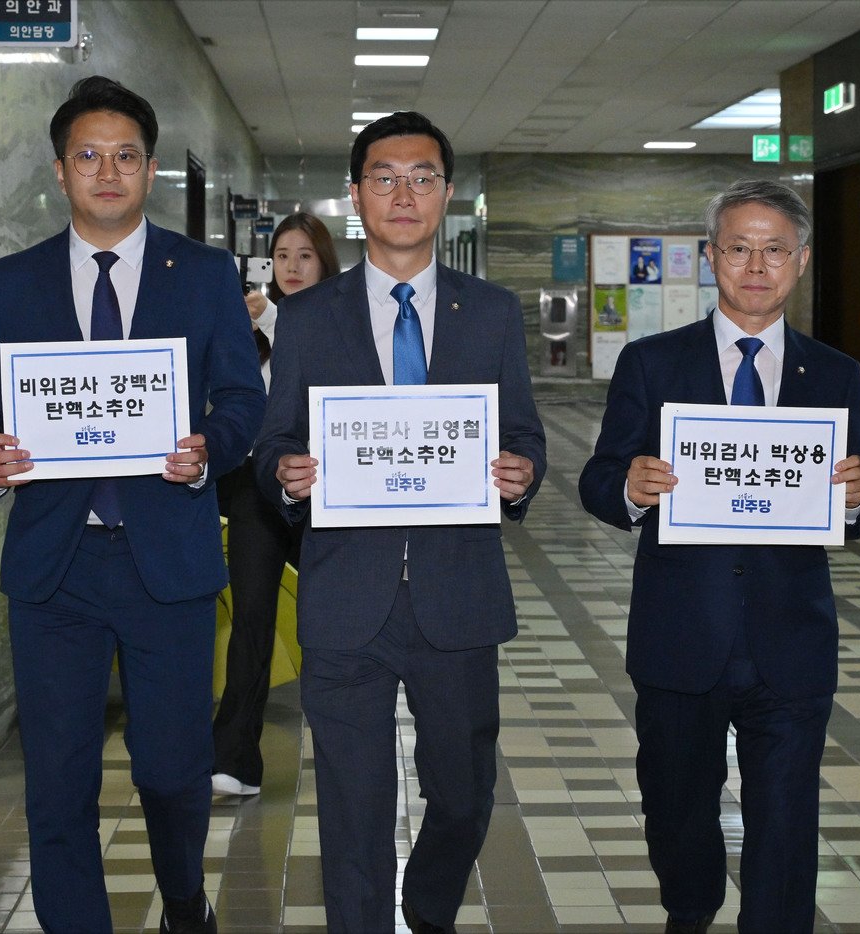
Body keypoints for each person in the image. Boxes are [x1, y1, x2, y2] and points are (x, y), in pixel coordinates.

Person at [0, 76, 265, 934]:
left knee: (171, 770)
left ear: (151, 170)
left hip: (166, 557)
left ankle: (182, 899)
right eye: (88, 156)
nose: (107, 171)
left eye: (125, 156)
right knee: (59, 782)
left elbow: (243, 399)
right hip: (56, 567)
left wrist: (210, 449)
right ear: (60, 172)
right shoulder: (14, 282)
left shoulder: (201, 275)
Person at [252, 111, 545, 934]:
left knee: (463, 794)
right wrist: (285, 471)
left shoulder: (490, 312)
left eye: (422, 177)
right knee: (352, 808)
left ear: (447, 194)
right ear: (356, 196)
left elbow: (521, 432)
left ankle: (427, 904)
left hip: (457, 596)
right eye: (385, 177)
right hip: (347, 594)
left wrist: (520, 474)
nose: (404, 193)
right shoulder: (309, 317)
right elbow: (274, 439)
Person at [579, 179, 860, 933]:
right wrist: (634, 489)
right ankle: (692, 908)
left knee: (785, 826)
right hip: (682, 636)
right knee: (677, 813)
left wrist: (858, 495)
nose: (755, 265)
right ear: (711, 257)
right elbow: (597, 480)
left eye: (774, 249)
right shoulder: (653, 364)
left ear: (800, 261)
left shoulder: (836, 374)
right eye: (738, 248)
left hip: (791, 639)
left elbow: (857, 497)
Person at [212, 212, 339, 797]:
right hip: (254, 489)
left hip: (328, 491)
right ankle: (235, 757)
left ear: (325, 262)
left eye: (305, 255)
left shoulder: (344, 321)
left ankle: (345, 751)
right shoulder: (251, 330)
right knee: (253, 620)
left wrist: (271, 315)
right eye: (282, 255)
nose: (291, 266)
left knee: (330, 624)